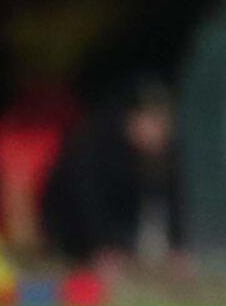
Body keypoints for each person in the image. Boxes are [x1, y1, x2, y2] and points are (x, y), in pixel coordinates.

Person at [41, 82, 183, 274]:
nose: (161, 131)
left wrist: (177, 248)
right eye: (153, 121)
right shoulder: (93, 150)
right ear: (131, 119)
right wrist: (100, 247)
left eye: (164, 122)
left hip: (120, 243)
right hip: (71, 240)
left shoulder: (161, 156)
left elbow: (170, 205)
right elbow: (82, 205)